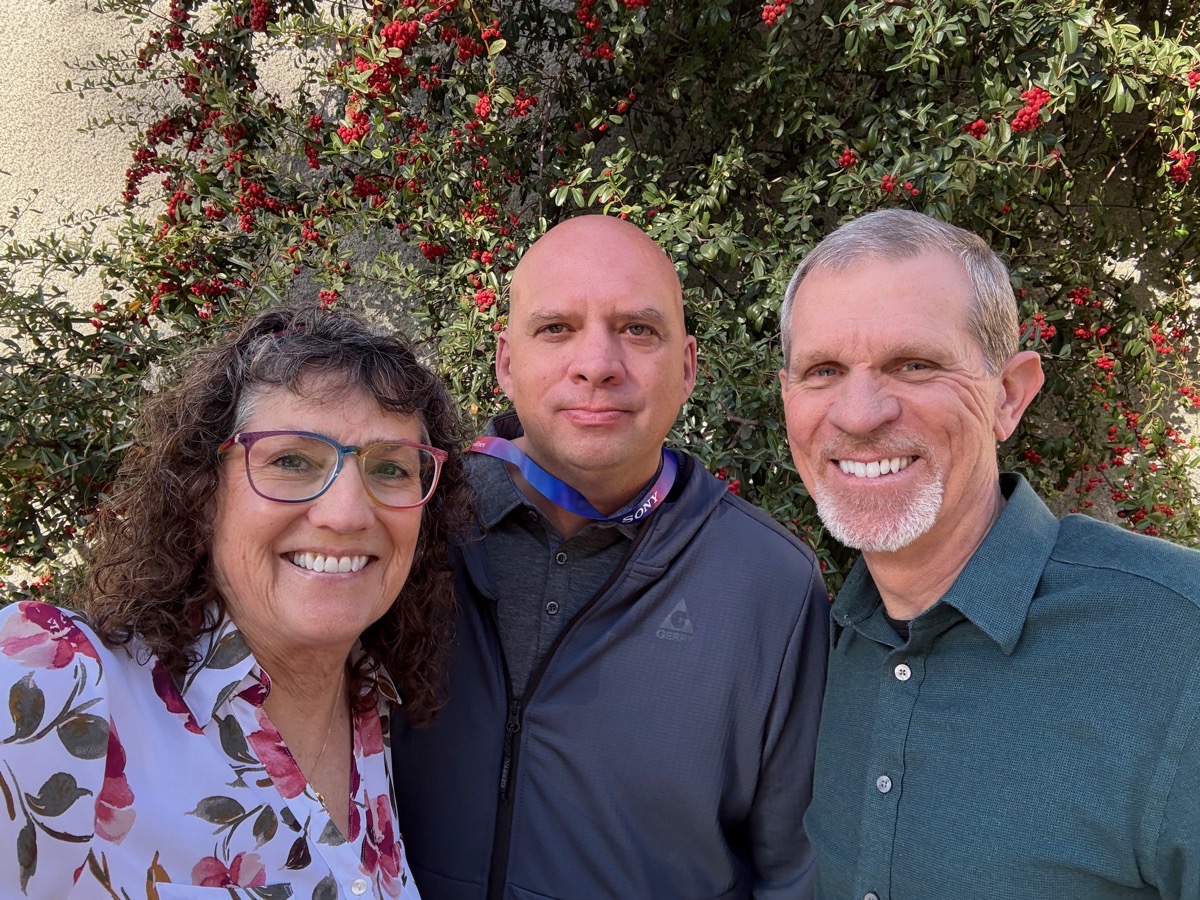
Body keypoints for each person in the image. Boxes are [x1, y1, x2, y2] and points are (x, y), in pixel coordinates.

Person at [390, 214, 830, 899]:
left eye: (638, 329)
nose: (597, 363)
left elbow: (793, 872)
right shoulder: (405, 528)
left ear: (686, 367)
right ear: (507, 361)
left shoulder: (770, 584)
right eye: (557, 328)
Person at [778, 208, 1200, 899]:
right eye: (822, 371)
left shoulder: (1179, 645)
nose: (858, 413)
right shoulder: (810, 649)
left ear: (1008, 396)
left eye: (914, 365)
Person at [0, 304, 472, 897]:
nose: (348, 513)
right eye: (291, 460)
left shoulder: (374, 712)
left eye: (391, 468)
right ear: (202, 493)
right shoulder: (56, 689)